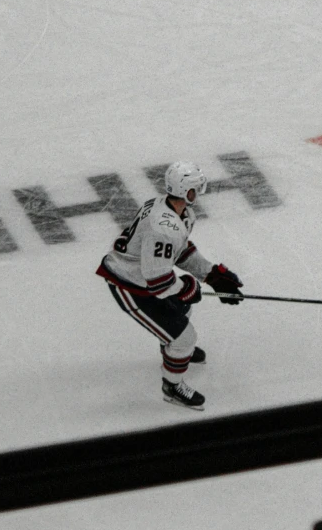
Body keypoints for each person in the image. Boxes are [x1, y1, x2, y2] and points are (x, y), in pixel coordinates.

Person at [98, 160, 244, 410]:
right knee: (185, 337)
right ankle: (172, 387)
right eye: (197, 188)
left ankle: (172, 347)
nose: (200, 192)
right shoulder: (164, 227)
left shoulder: (177, 212)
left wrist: (210, 275)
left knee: (182, 311)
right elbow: (158, 282)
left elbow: (177, 252)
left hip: (142, 277)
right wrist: (188, 288)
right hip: (129, 284)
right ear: (188, 192)